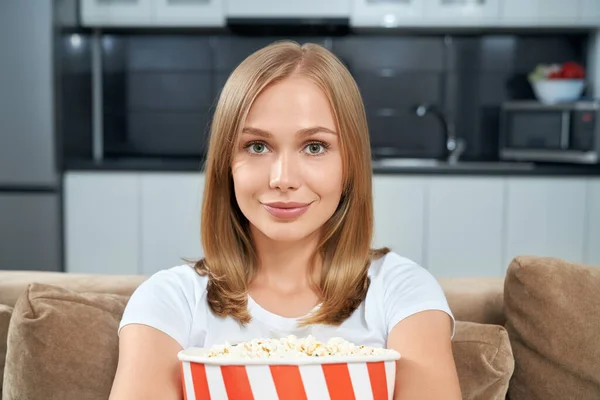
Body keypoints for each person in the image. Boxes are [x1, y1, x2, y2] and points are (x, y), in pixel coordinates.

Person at [109, 40, 461, 400]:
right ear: (225, 165)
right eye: (257, 146)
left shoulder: (403, 293)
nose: (283, 178)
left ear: (351, 162)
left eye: (314, 147)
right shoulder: (168, 301)